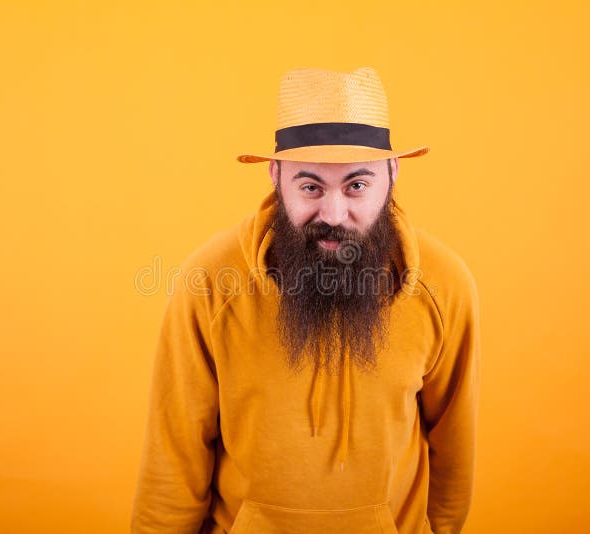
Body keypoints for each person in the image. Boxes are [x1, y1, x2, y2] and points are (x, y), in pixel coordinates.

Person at [131, 66, 481, 534]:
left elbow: (454, 446)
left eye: (357, 185)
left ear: (392, 174)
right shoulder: (210, 281)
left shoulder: (445, 285)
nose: (333, 214)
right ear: (276, 176)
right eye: (310, 186)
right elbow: (173, 457)